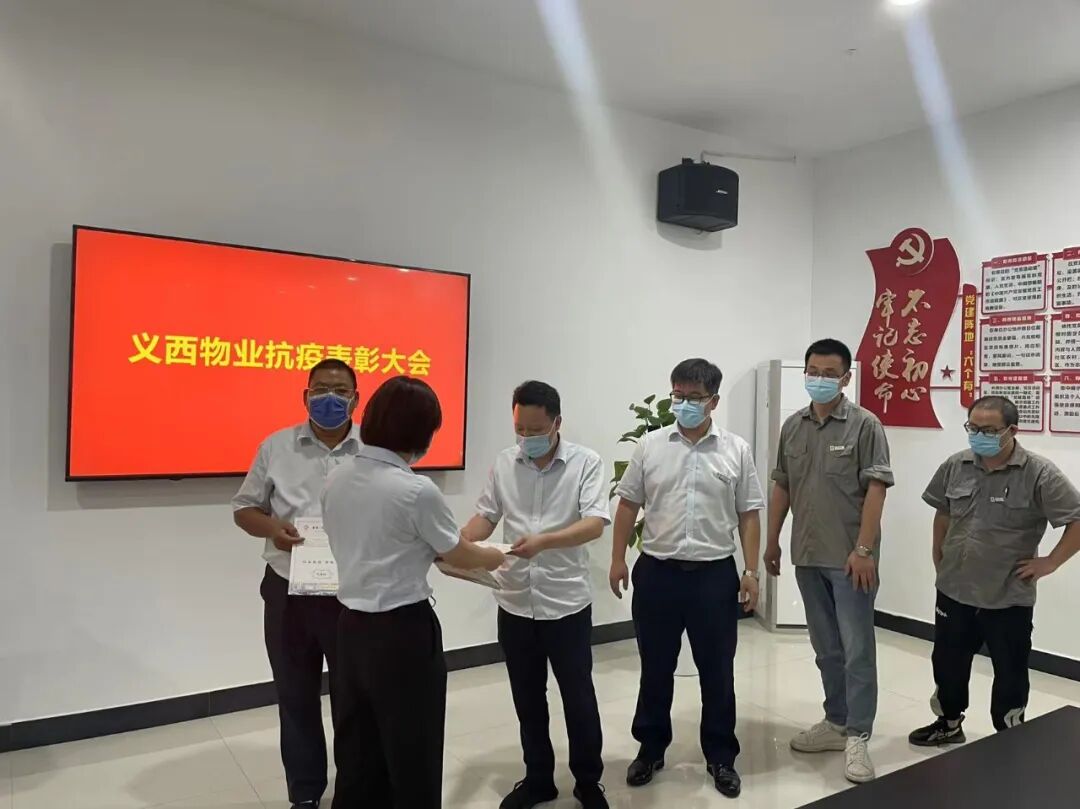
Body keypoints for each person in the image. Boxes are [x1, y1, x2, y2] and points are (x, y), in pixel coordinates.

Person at [323, 376, 506, 809]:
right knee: (412, 747)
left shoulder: (338, 476)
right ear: (421, 432)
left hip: (349, 627)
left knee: (357, 745)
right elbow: (456, 552)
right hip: (401, 633)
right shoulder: (415, 489)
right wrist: (494, 556)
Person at [609, 358, 764, 799]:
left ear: (713, 401)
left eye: (694, 397)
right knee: (655, 667)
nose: (685, 404)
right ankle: (650, 747)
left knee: (717, 670)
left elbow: (749, 514)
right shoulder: (651, 445)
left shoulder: (736, 450)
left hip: (714, 577)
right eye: (678, 395)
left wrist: (751, 571)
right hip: (658, 573)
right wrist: (617, 559)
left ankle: (721, 755)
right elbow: (628, 504)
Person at [461, 381, 611, 809]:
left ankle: (588, 781)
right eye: (520, 429)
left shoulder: (586, 462)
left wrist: (544, 542)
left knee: (578, 698)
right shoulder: (504, 463)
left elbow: (594, 522)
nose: (526, 438)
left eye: (535, 430)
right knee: (527, 699)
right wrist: (459, 541)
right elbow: (487, 515)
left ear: (557, 422)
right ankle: (538, 779)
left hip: (566, 604)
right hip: (514, 601)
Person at [909, 395, 1080, 746]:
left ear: (1011, 431)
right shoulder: (956, 464)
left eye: (988, 430)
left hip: (1007, 595)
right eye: (973, 428)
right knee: (948, 662)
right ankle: (949, 723)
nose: (978, 436)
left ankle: (1008, 738)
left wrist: (1050, 562)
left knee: (1010, 671)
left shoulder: (1039, 473)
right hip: (955, 588)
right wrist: (938, 550)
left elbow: (1076, 519)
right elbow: (943, 510)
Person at [232, 357, 363, 809]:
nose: (330, 398)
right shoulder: (276, 447)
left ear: (356, 399)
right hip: (288, 590)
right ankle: (305, 796)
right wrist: (273, 529)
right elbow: (244, 509)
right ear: (305, 396)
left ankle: (354, 792)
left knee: (354, 699)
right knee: (295, 696)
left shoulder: (374, 449)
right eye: (321, 389)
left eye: (341, 391)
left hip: (352, 594)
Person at [764, 338, 893, 784]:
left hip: (850, 558)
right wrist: (772, 540)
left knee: (857, 650)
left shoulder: (865, 425)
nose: (819, 379)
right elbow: (783, 484)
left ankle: (858, 735)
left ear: (845, 378)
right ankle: (836, 721)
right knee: (826, 649)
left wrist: (864, 549)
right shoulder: (792, 427)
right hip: (807, 554)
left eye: (829, 374)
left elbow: (876, 489)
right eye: (813, 372)